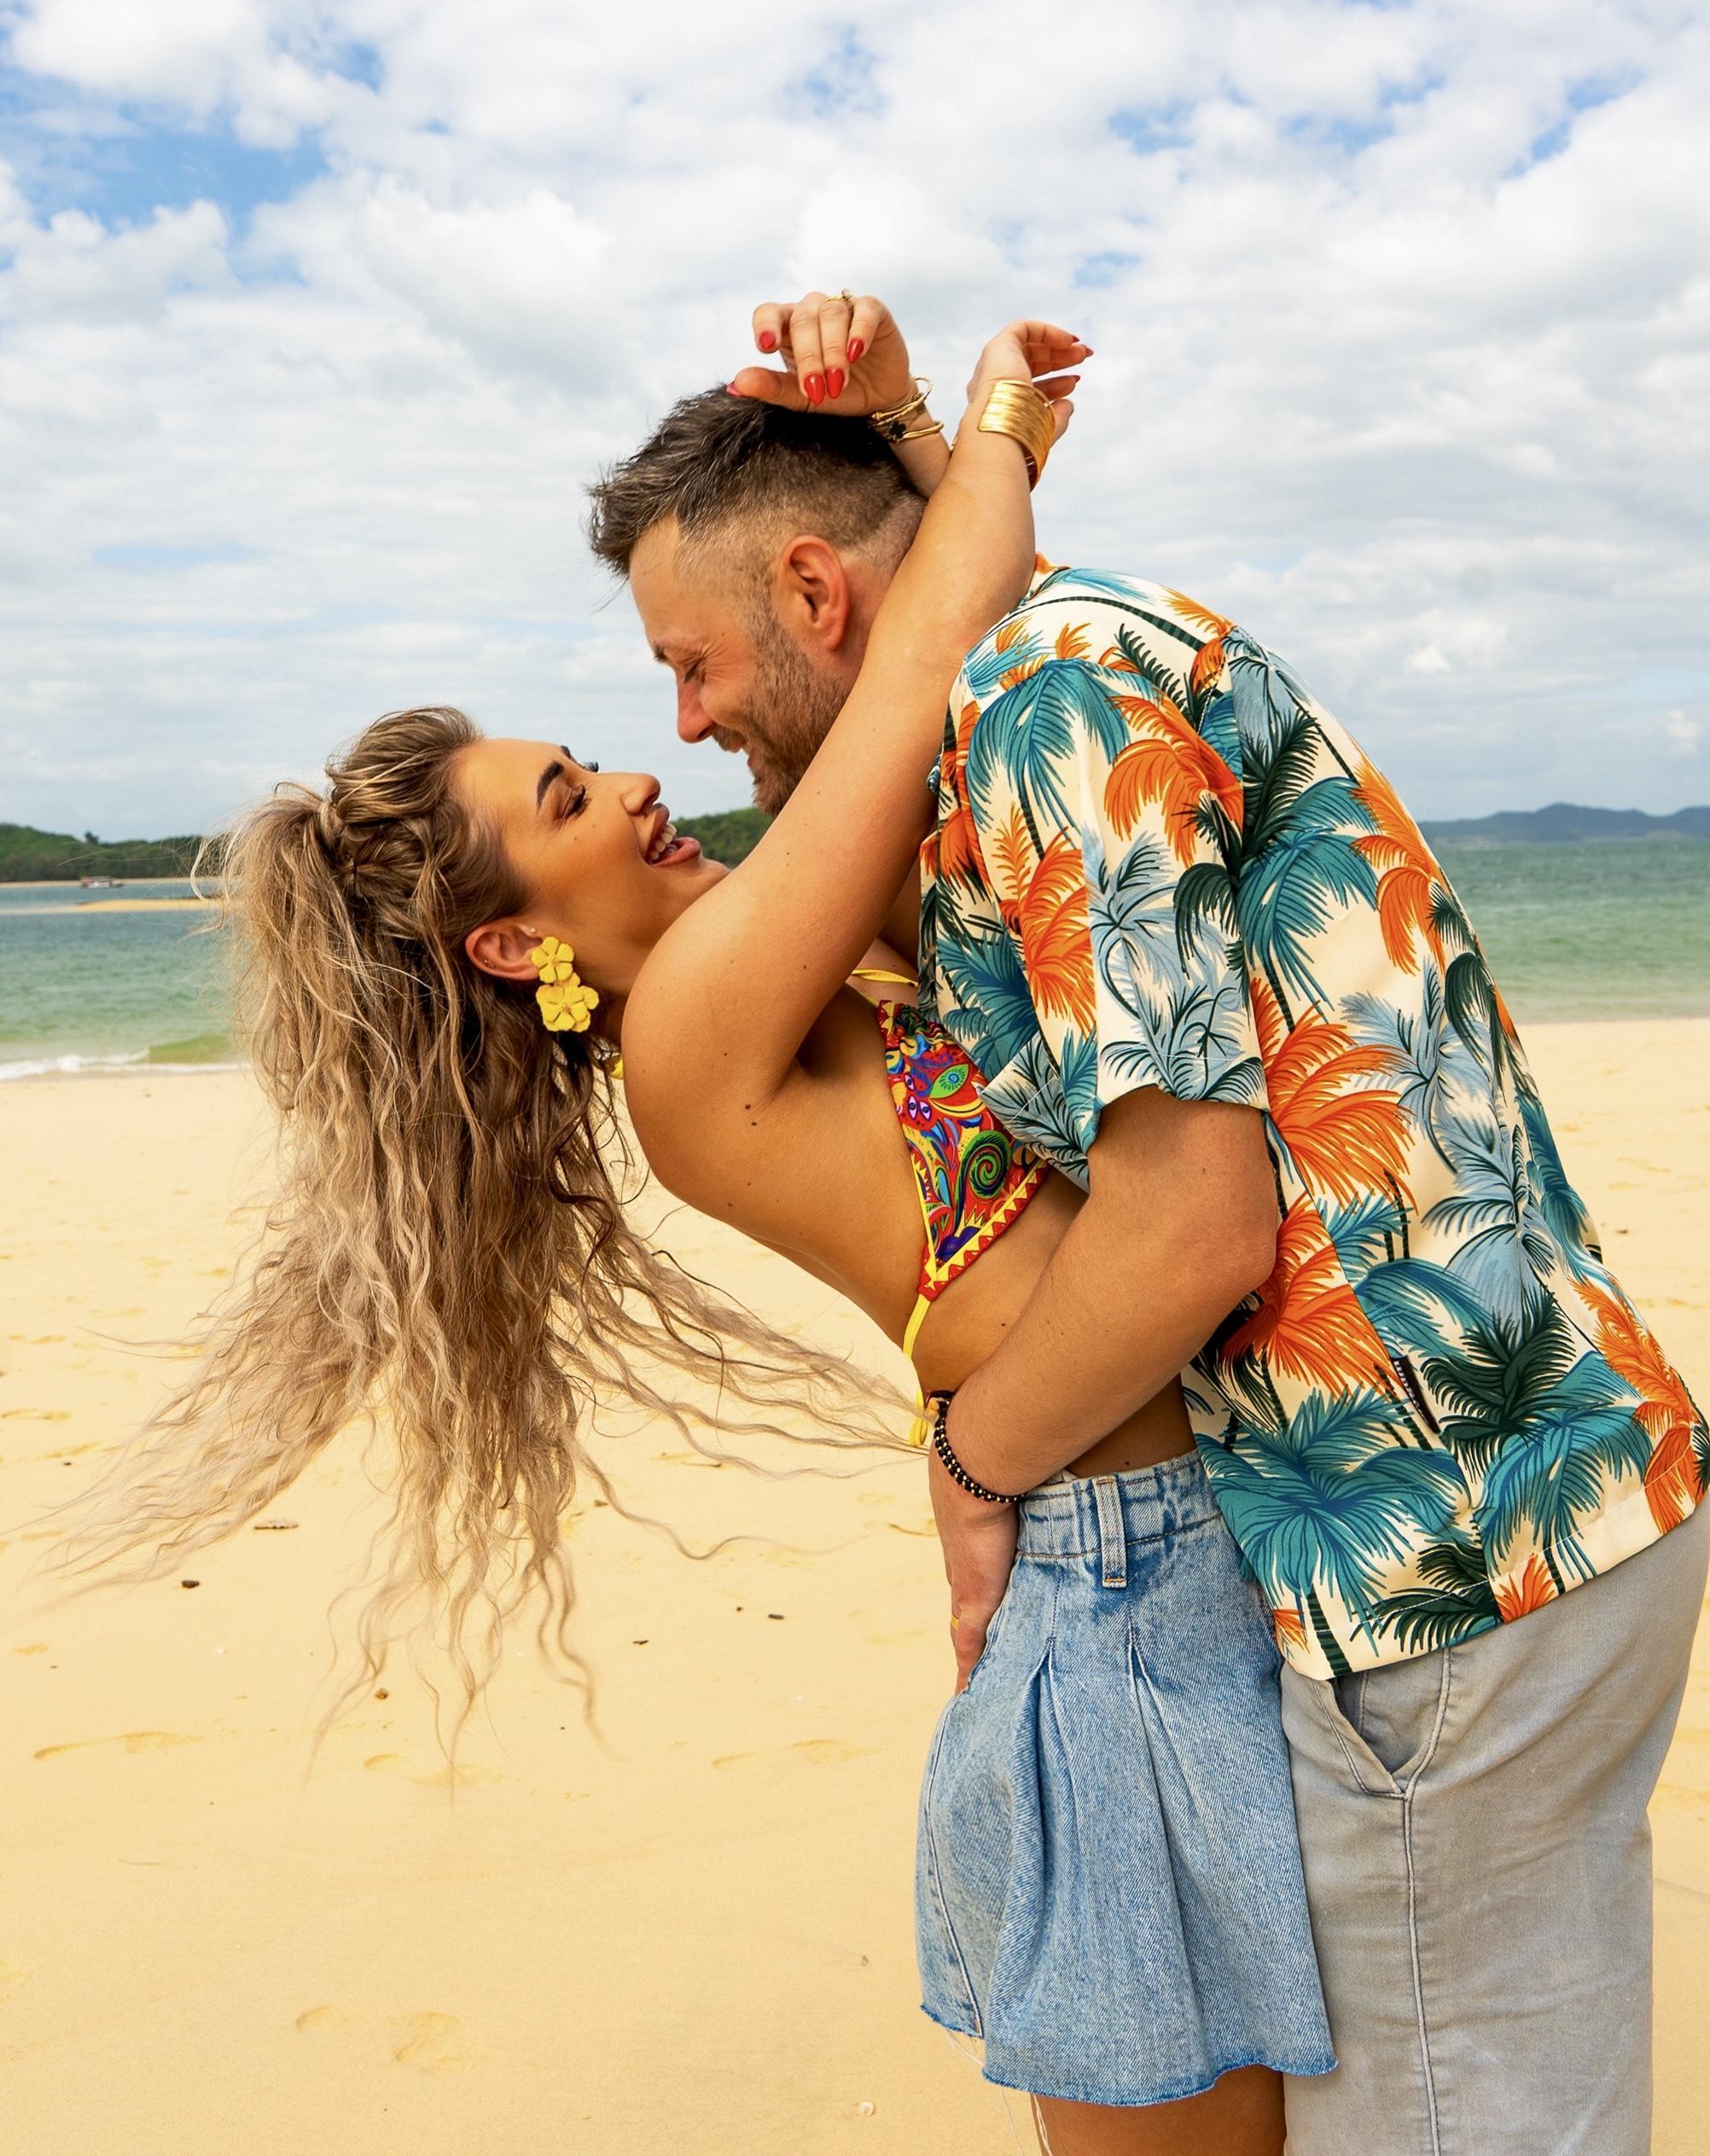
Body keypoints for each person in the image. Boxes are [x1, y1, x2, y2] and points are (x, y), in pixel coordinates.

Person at [68, 314, 1332, 2156]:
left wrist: (903, 440)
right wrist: (981, 414)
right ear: (518, 944)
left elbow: (979, 654)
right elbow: (918, 665)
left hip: (1219, 1533)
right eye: (570, 802)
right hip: (1114, 1597)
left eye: (596, 752)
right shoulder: (689, 1036)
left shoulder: (833, 943)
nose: (643, 775)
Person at [590, 289, 1710, 2156]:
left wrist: (974, 1456)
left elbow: (1193, 1227)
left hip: (1429, 1550)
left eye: (688, 663)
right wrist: (943, 438)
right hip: (1534, 1489)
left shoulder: (1042, 707)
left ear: (811, 593)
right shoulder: (1062, 665)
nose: (686, 722)